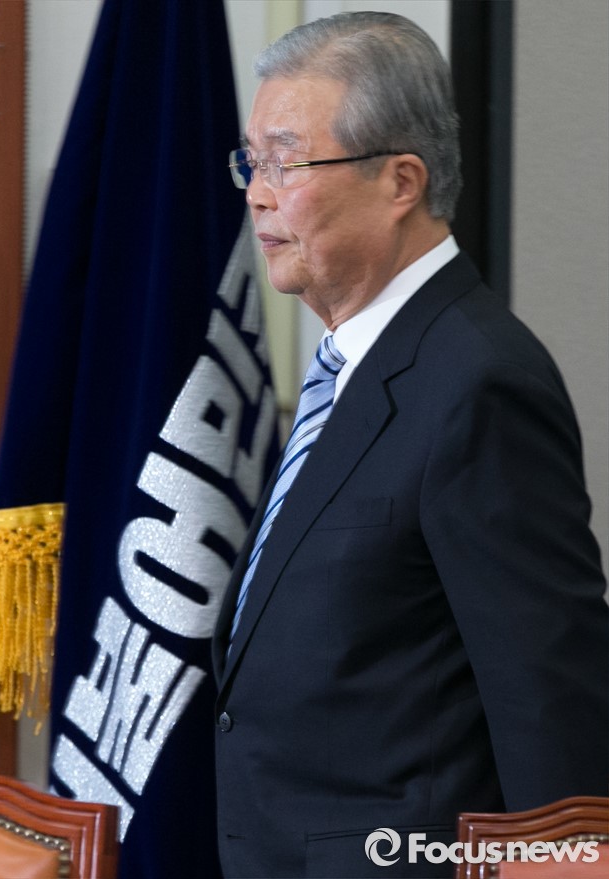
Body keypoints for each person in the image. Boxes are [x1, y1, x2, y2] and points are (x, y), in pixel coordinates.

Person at [212, 12, 608, 879]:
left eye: (286, 161)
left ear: (400, 181)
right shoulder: (352, 367)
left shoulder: (478, 382)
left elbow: (550, 703)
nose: (257, 192)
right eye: (251, 161)